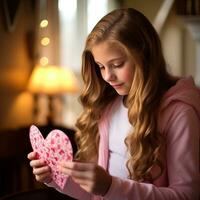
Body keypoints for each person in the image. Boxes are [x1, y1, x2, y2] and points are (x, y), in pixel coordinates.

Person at [28, 8, 200, 200]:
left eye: (117, 64)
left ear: (144, 56)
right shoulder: (109, 106)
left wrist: (111, 186)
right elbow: (95, 193)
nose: (108, 76)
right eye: (101, 66)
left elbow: (187, 195)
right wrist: (54, 176)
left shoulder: (179, 112)